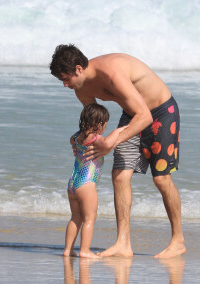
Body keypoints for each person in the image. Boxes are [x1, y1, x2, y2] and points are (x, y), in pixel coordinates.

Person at [50, 44, 186, 258]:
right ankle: (123, 242)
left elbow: (146, 117)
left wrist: (110, 143)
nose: (65, 85)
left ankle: (178, 240)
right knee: (120, 176)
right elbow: (92, 124)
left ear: (78, 68)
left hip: (161, 112)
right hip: (133, 115)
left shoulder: (111, 72)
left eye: (66, 79)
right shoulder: (81, 88)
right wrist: (81, 142)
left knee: (161, 179)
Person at [64, 103, 127, 258]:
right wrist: (119, 130)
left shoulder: (77, 137)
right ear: (100, 124)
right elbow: (107, 144)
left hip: (73, 183)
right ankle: (84, 251)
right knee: (90, 219)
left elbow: (71, 141)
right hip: (86, 183)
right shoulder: (95, 138)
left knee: (75, 218)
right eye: (105, 124)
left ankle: (68, 250)